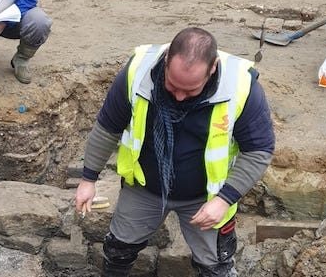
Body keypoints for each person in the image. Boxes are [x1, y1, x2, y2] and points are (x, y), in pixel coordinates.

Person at [75, 27, 274, 277]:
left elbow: (259, 151)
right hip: (145, 187)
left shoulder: (241, 87)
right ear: (167, 59)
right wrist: (88, 179)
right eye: (172, 86)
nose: (179, 97)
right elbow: (107, 128)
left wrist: (224, 200)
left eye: (190, 90)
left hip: (207, 197)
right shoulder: (138, 71)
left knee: (215, 268)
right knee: (118, 252)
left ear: (212, 69)